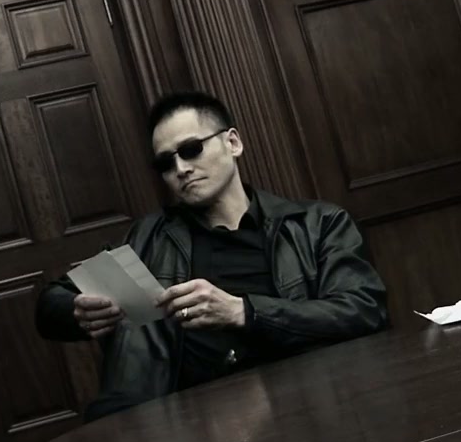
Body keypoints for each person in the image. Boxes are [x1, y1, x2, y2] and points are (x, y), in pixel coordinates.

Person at [36, 91, 389, 421]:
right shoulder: (149, 240)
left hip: (309, 407)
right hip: (185, 426)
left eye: (191, 149)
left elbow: (364, 309)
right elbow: (52, 301)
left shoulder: (317, 225)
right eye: (166, 162)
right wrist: (76, 310)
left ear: (232, 143)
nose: (180, 169)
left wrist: (244, 312)